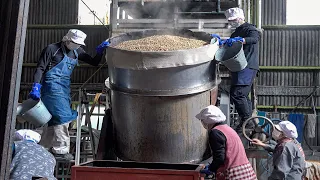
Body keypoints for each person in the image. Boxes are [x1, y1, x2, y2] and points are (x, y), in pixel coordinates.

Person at [28, 29, 109, 160]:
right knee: (62, 116)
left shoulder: (77, 51)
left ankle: (43, 147)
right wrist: (36, 86)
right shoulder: (52, 49)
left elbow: (94, 62)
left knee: (50, 118)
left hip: (64, 87)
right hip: (51, 86)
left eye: (79, 44)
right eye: (74, 43)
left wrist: (100, 51)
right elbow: (40, 68)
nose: (77, 46)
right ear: (67, 40)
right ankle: (61, 149)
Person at [224, 7, 261, 132]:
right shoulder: (235, 32)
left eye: (233, 20)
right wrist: (220, 41)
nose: (232, 22)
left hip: (248, 66)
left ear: (241, 18)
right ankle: (249, 121)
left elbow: (255, 38)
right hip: (239, 67)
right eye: (230, 21)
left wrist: (242, 40)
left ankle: (247, 121)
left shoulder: (249, 28)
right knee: (242, 95)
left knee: (238, 94)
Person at [195, 105, 257, 180]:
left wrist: (211, 168)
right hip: (246, 170)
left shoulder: (215, 132)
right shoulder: (227, 128)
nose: (203, 123)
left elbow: (219, 158)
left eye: (203, 120)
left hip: (234, 173)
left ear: (208, 120)